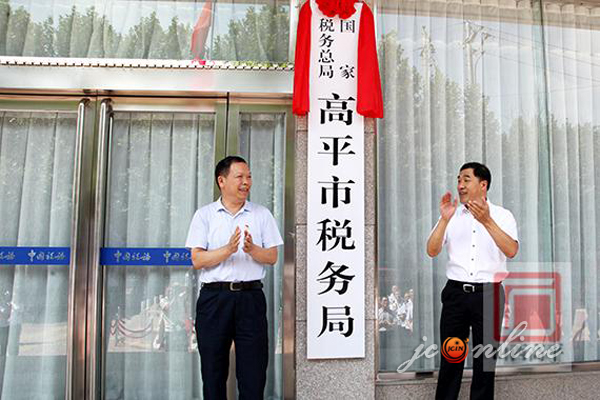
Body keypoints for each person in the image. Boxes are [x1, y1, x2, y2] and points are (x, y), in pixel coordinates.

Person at [186, 156, 283, 400]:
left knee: (253, 373)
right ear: (222, 181)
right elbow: (197, 259)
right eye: (239, 176)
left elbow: (272, 256)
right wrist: (227, 250)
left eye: (249, 176)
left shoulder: (261, 214)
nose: (246, 182)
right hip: (214, 299)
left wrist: (252, 249)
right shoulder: (204, 215)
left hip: (251, 298)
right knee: (213, 372)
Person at [426, 162, 518, 400]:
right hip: (456, 295)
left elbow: (511, 250)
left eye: (466, 179)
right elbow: (432, 250)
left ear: (483, 184)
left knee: (485, 362)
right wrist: (444, 220)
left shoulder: (503, 215)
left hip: (489, 295)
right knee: (451, 358)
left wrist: (487, 221)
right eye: (459, 180)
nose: (460, 185)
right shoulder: (451, 214)